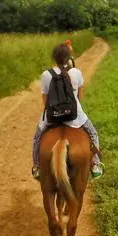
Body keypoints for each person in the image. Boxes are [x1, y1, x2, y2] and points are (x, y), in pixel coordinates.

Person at [31, 42, 103, 181]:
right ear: (68, 57)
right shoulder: (76, 72)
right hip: (75, 116)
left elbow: (45, 101)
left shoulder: (46, 75)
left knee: (37, 138)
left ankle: (37, 166)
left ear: (54, 58)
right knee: (93, 133)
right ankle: (95, 165)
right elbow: (79, 97)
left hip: (52, 117)